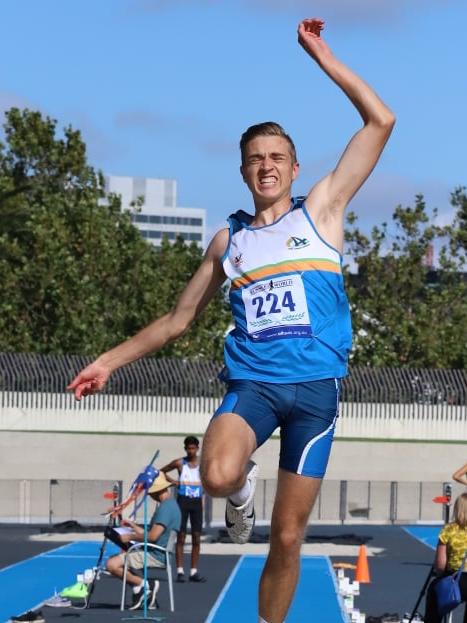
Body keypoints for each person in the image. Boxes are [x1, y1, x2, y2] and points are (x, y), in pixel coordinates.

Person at [68, 18, 395, 623]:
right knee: (216, 477)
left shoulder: (321, 212)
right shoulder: (229, 242)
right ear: (242, 172)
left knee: (288, 539)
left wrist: (322, 55)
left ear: (295, 169)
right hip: (255, 388)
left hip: (317, 397)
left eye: (276, 158)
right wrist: (106, 362)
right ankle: (242, 493)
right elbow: (175, 320)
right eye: (254, 160)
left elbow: (381, 121)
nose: (265, 167)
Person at [105, 472, 181, 611]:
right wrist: (134, 527)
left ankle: (145, 585)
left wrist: (130, 537)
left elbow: (152, 537)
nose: (150, 495)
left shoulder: (165, 508)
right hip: (158, 551)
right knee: (117, 560)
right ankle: (142, 591)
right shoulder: (171, 505)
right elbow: (154, 533)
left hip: (156, 554)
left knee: (111, 564)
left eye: (151, 492)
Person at [161, 435, 206, 583]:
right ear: (185, 449)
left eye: (193, 448)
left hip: (197, 503)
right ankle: (180, 571)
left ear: (197, 448)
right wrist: (174, 481)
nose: (191, 451)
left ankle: (194, 571)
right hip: (183, 502)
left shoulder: (204, 464)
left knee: (196, 537)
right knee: (181, 537)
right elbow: (161, 471)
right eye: (189, 448)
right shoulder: (180, 463)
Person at [424, 493, 467, 623]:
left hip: (457, 578)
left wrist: (440, 574)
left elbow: (441, 564)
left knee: (434, 590)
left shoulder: (449, 529)